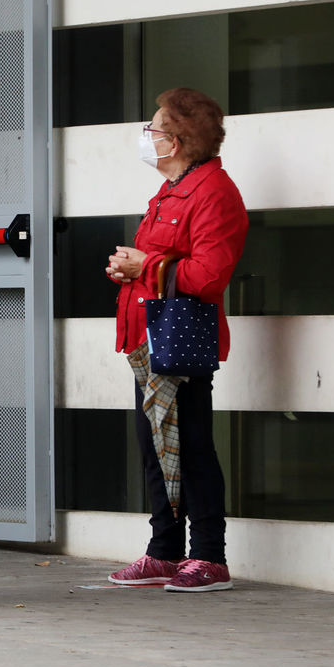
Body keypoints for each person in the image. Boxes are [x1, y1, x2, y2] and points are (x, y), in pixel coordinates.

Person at [104, 87, 248, 593]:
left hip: (179, 345)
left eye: (154, 129)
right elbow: (164, 266)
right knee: (155, 448)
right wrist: (130, 270)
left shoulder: (213, 192)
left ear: (178, 139)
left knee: (191, 446)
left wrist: (148, 264)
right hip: (149, 342)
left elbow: (209, 276)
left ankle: (209, 556)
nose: (147, 137)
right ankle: (165, 551)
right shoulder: (173, 190)